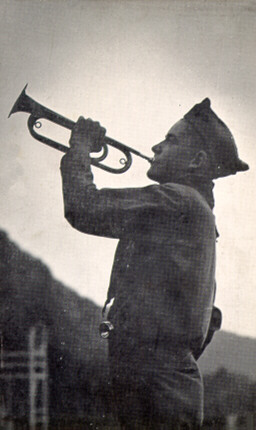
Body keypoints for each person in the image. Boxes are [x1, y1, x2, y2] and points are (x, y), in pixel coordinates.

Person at [60, 98, 248, 429]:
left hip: (154, 387)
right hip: (165, 386)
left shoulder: (178, 200)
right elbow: (212, 318)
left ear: (197, 161)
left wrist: (79, 149)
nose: (155, 147)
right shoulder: (197, 213)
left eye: (170, 140)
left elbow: (83, 208)